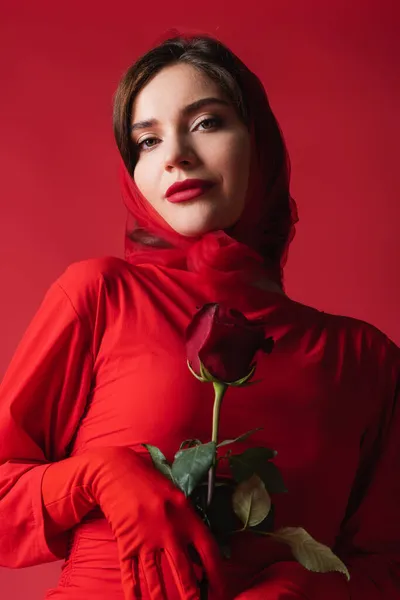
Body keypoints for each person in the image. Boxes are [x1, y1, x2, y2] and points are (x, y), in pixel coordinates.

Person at [0, 31, 399, 600]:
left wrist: (305, 587)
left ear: (259, 143)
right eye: (145, 141)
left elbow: (386, 563)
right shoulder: (101, 294)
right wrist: (96, 474)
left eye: (207, 122)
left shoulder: (365, 360)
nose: (175, 156)